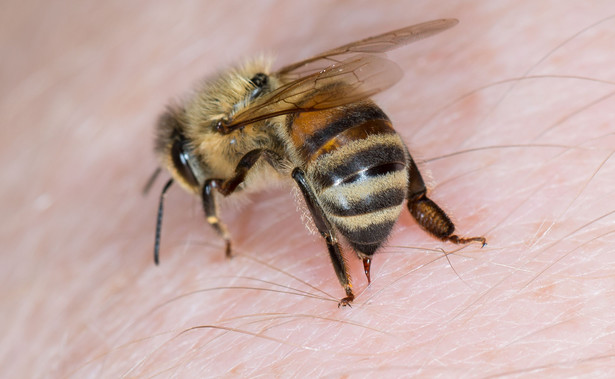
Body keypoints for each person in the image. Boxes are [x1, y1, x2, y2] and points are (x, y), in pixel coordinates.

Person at [3, 2, 614, 376]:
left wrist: (222, 215)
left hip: (341, 162)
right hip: (350, 132)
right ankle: (427, 216)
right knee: (318, 152)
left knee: (300, 166)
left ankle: (347, 276)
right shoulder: (262, 98)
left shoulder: (229, 132)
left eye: (193, 174)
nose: (204, 183)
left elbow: (266, 167)